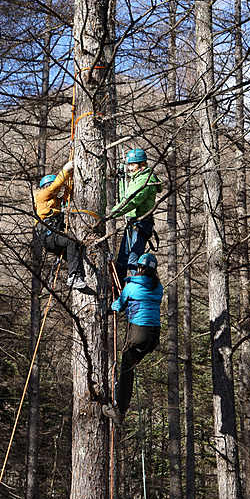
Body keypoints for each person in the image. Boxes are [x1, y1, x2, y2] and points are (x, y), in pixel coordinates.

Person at [102, 253, 162, 424]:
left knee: (126, 368)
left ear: (140, 268)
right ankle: (121, 406)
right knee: (129, 366)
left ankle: (120, 409)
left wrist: (112, 307)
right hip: (153, 336)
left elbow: (120, 305)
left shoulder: (131, 286)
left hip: (139, 332)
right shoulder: (159, 287)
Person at [109, 148, 163, 280]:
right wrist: (121, 182)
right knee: (121, 262)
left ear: (142, 164)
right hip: (132, 223)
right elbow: (125, 199)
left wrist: (110, 215)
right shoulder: (136, 179)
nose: (130, 168)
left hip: (141, 223)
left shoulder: (146, 179)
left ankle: (141, 292)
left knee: (133, 261)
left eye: (133, 165)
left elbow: (133, 201)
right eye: (129, 165)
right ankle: (118, 296)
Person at [34, 160, 87, 289]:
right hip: (48, 234)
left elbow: (67, 196)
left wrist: (71, 179)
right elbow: (56, 186)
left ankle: (79, 276)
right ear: (46, 186)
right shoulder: (41, 196)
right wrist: (66, 169)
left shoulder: (56, 201)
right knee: (71, 242)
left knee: (75, 254)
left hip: (52, 234)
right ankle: (74, 276)